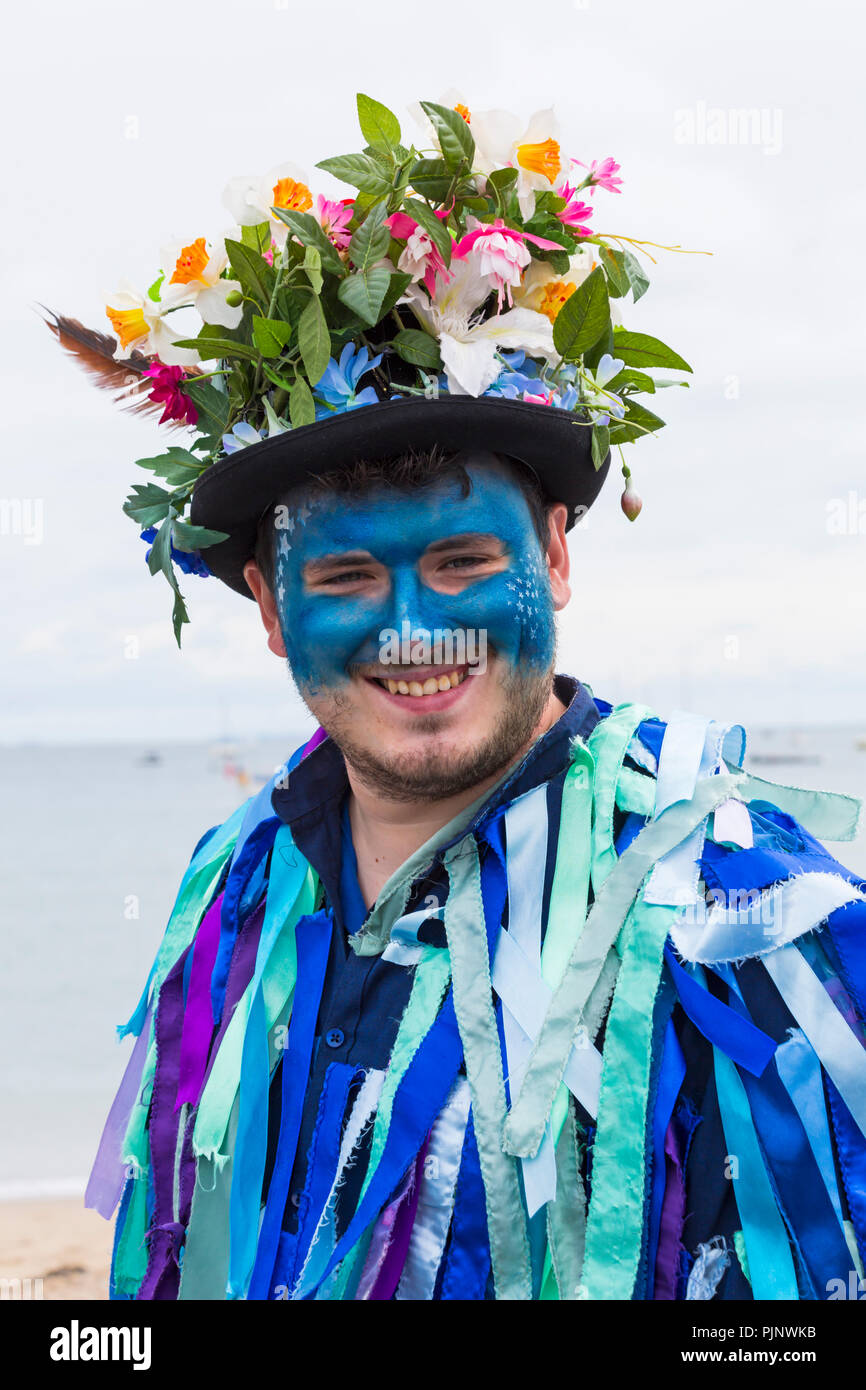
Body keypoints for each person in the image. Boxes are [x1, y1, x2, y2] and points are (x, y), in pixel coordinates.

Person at [61, 93, 866, 1301]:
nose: (413, 625)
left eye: (462, 564)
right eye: (342, 576)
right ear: (269, 607)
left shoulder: (741, 904)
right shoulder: (234, 885)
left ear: (552, 554)